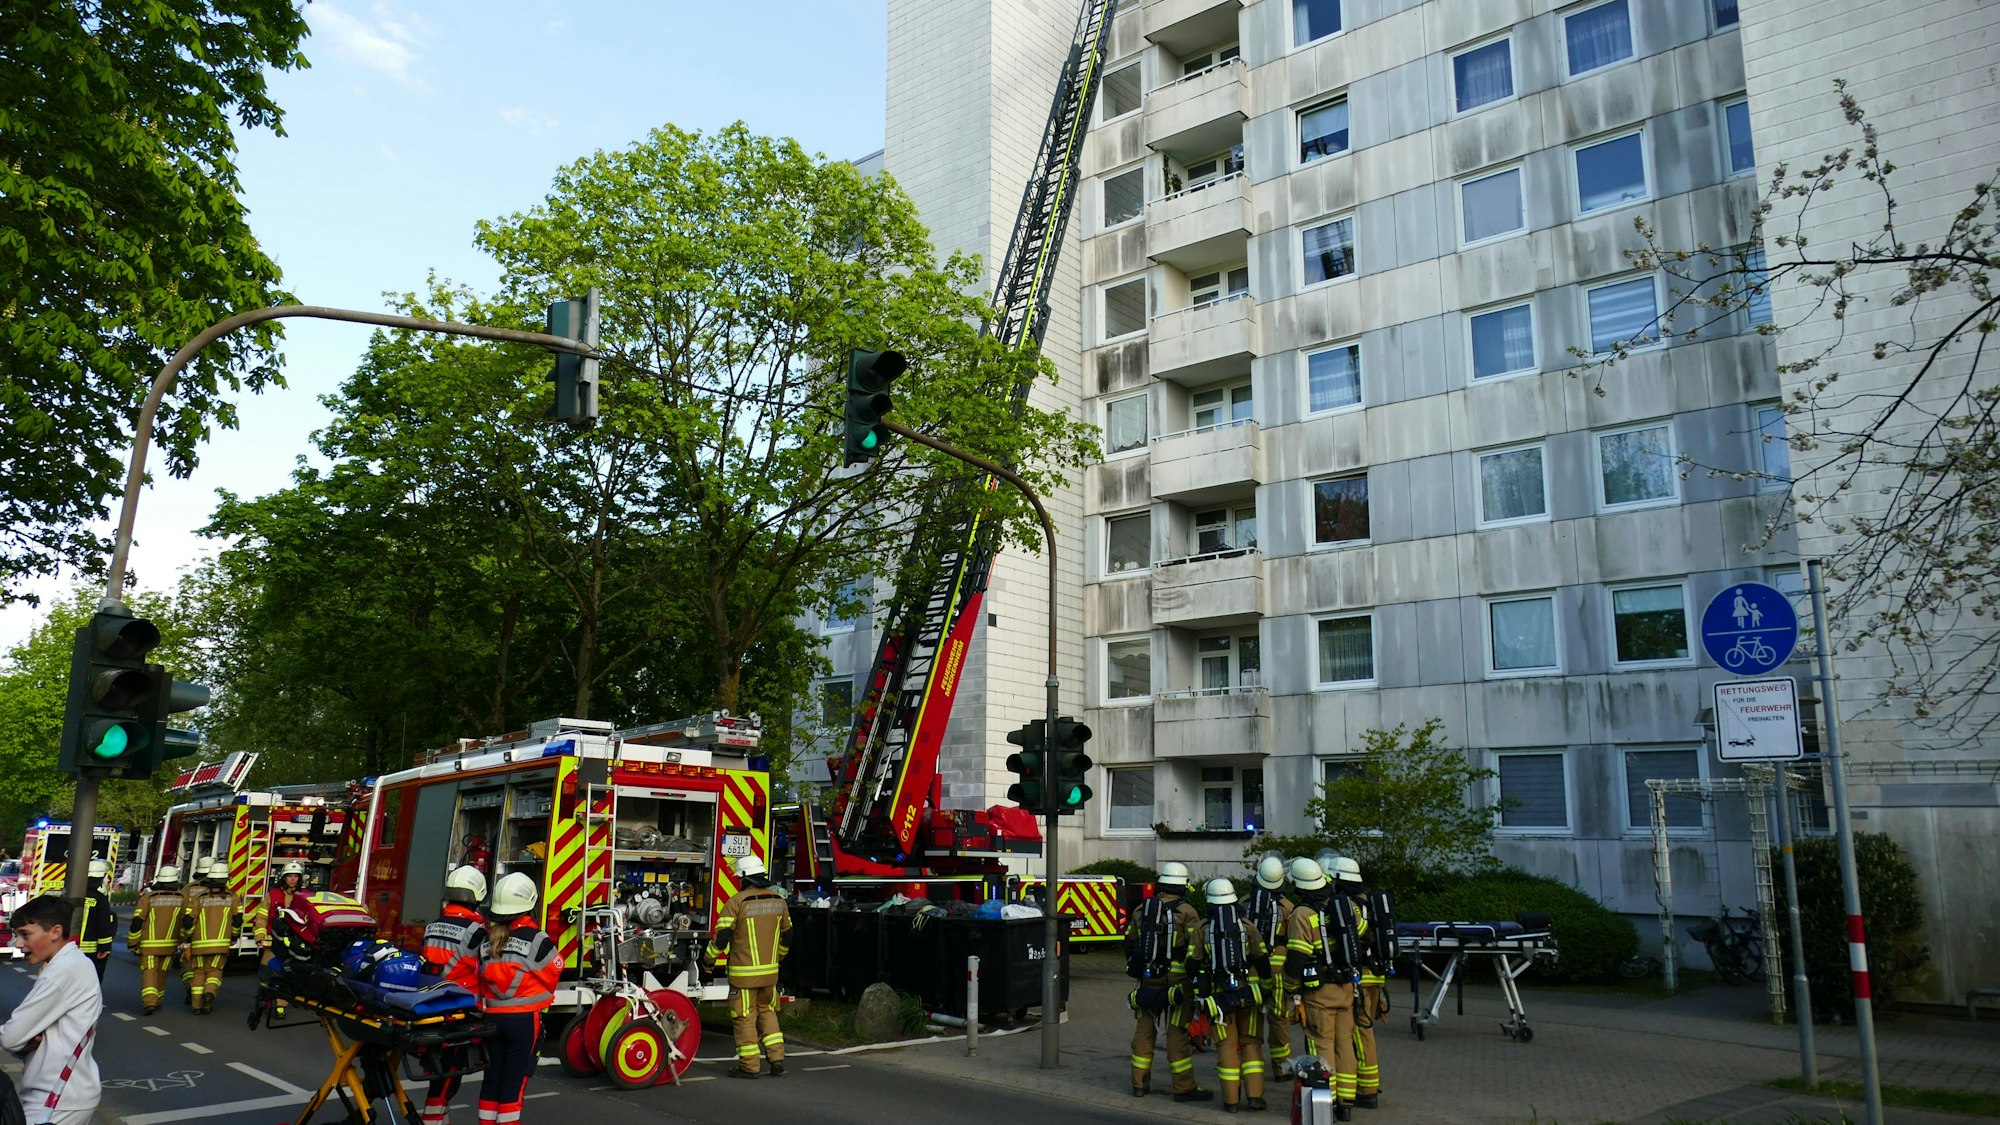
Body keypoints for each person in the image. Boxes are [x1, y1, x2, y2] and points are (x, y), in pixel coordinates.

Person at [2, 895, 103, 1125]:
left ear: (55, 932)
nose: (18, 944)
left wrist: (17, 1039)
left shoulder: (62, 972)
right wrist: (23, 1042)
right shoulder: (73, 963)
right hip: (63, 1094)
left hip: (54, 1099)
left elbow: (10, 1037)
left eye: (25, 934)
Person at [1124, 860, 1210, 1102]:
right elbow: (1196, 950)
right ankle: (1183, 1088)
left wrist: (1136, 968)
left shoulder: (1141, 910)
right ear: (1182, 886)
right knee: (1177, 1033)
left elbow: (1130, 942)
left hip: (1148, 980)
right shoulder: (1188, 912)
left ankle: (1139, 1083)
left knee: (1144, 1030)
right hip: (1177, 982)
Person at [478, 873, 558, 1125]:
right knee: (513, 1086)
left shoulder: (485, 941)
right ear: (529, 903)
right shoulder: (538, 940)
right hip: (523, 1021)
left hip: (491, 1020)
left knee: (491, 1083)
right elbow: (553, 974)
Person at [1284, 858, 1359, 1121]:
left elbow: (1296, 959)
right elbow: (1360, 930)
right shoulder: (1343, 904)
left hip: (1320, 994)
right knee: (1345, 1043)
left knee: (1322, 1045)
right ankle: (1347, 1101)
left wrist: (1291, 989)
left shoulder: (1302, 914)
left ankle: (1326, 1100)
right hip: (1347, 988)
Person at [706, 854, 792, 1078]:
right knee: (768, 1013)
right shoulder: (779, 900)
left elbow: (722, 937)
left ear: (743, 878)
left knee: (745, 1018)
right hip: (770, 974)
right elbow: (788, 935)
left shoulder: (737, 902)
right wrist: (780, 957)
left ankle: (750, 1067)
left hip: (743, 976)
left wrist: (708, 961)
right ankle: (777, 1060)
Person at [418, 866, 490, 1125]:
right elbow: (486, 970)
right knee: (451, 1072)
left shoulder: (433, 925)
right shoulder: (476, 932)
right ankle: (433, 1117)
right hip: (460, 1009)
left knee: (437, 1068)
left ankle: (438, 1116)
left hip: (430, 1005)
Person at [1197, 878, 1268, 1114]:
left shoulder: (1203, 928)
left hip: (1220, 1001)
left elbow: (1191, 965)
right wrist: (1265, 988)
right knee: (1251, 1044)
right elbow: (1262, 959)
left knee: (1227, 1047)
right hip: (1249, 995)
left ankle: (1231, 1102)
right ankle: (1256, 1097)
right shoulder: (1247, 926)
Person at [1333, 857, 1386, 1110]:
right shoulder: (1369, 901)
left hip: (1359, 977)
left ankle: (1364, 1089)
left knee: (1357, 1030)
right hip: (1374, 975)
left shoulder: (1349, 906)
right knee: (1363, 1030)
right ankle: (1367, 1086)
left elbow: (1355, 937)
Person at [1245, 853, 1298, 1076]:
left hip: (1252, 968)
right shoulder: (1288, 907)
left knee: (1251, 1018)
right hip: (1278, 969)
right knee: (1278, 1019)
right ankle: (1281, 1068)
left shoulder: (1244, 903)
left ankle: (1252, 1066)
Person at [128, 865, 188, 1014]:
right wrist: (183, 940)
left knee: (150, 972)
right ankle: (158, 1000)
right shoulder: (182, 898)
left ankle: (150, 1002)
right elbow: (186, 921)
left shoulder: (148, 898)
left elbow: (137, 922)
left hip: (149, 945)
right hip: (170, 945)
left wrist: (133, 942)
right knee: (162, 972)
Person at [184, 859, 238, 1013]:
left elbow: (188, 920)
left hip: (199, 944)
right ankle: (209, 994)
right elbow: (238, 919)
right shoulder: (232, 897)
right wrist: (234, 936)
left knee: (198, 972)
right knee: (214, 971)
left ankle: (196, 1006)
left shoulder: (199, 898)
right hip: (221, 944)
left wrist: (188, 937)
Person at [76, 859, 116, 981]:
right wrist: (104, 947)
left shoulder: (74, 895)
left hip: (70, 947)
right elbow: (103, 924)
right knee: (90, 979)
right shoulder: (100, 899)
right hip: (90, 950)